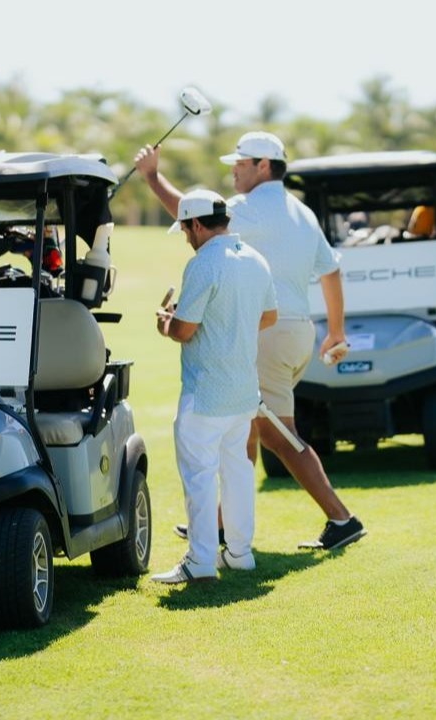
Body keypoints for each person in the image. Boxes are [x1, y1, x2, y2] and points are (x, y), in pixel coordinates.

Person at [134, 131, 367, 551]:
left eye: (240, 164)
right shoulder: (302, 212)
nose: (234, 171)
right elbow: (330, 271)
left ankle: (342, 518)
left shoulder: (245, 210)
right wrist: (336, 330)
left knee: (278, 433)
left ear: (263, 166)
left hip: (268, 334)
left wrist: (153, 178)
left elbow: (194, 216)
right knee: (249, 427)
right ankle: (223, 523)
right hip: (297, 332)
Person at [150, 189, 278, 584]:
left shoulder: (204, 263)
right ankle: (239, 553)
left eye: (187, 228)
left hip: (205, 392)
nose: (187, 237)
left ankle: (201, 561)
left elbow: (185, 330)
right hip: (242, 390)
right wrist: (228, 329)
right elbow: (269, 317)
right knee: (237, 473)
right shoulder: (255, 259)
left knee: (200, 477)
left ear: (199, 224)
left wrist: (165, 322)